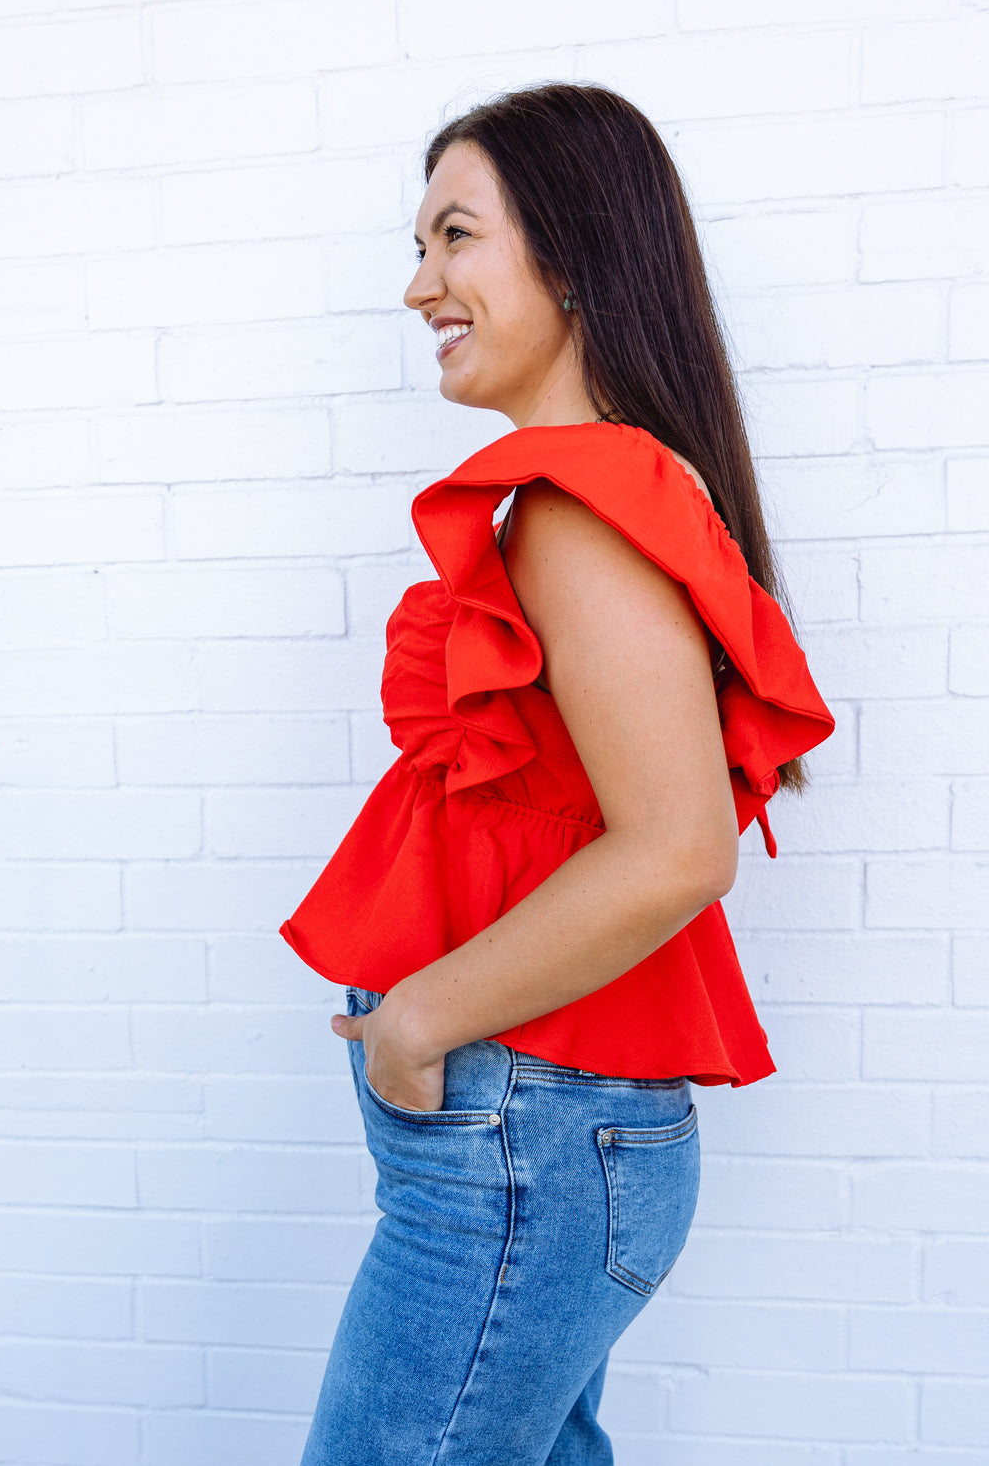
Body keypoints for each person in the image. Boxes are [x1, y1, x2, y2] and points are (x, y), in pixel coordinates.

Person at [281, 82, 836, 1466]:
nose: (420, 286)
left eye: (454, 237)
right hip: (532, 1145)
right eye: (418, 247)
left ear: (574, 255)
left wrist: (417, 1021)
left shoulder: (582, 512)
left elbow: (675, 848)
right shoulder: (599, 495)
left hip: (520, 1147)